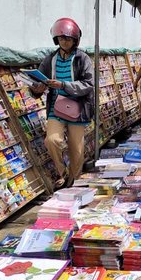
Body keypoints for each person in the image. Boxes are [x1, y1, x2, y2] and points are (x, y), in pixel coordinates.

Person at [30, 18, 94, 188]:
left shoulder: (83, 59)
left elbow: (88, 84)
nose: (64, 41)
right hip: (55, 108)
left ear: (75, 40)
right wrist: (36, 89)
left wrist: (64, 85)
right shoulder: (50, 59)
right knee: (51, 140)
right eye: (60, 38)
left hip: (77, 108)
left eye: (68, 38)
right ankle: (63, 172)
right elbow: (39, 80)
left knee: (77, 150)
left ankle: (74, 182)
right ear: (56, 39)